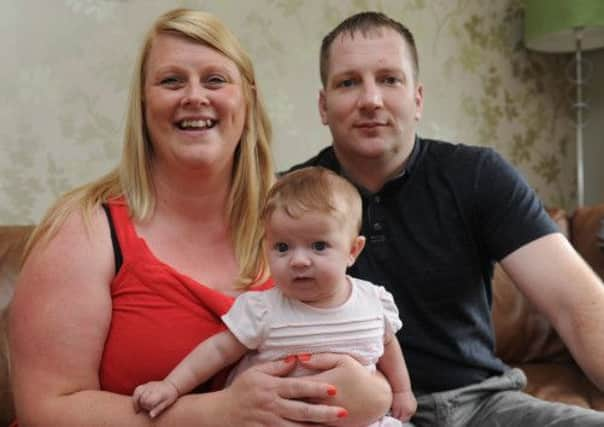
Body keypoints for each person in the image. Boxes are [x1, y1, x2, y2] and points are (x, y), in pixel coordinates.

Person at [8, 9, 393, 426]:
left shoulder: (301, 218)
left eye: (215, 80)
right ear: (143, 102)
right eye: (171, 80)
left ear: (248, 98)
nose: (195, 96)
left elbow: (366, 339)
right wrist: (217, 413)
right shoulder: (82, 231)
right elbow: (45, 411)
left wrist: (376, 396)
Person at [290, 10, 604, 427]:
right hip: (366, 413)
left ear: (417, 98)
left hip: (485, 405)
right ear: (323, 105)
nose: (371, 99)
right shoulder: (290, 200)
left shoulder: (477, 174)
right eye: (348, 82)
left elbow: (577, 305)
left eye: (389, 79)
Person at [132, 166, 418, 425]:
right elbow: (217, 351)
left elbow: (389, 345)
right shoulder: (264, 309)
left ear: (353, 250)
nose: (299, 261)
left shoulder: (373, 301)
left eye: (319, 246)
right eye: (282, 247)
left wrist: (402, 390)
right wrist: (171, 386)